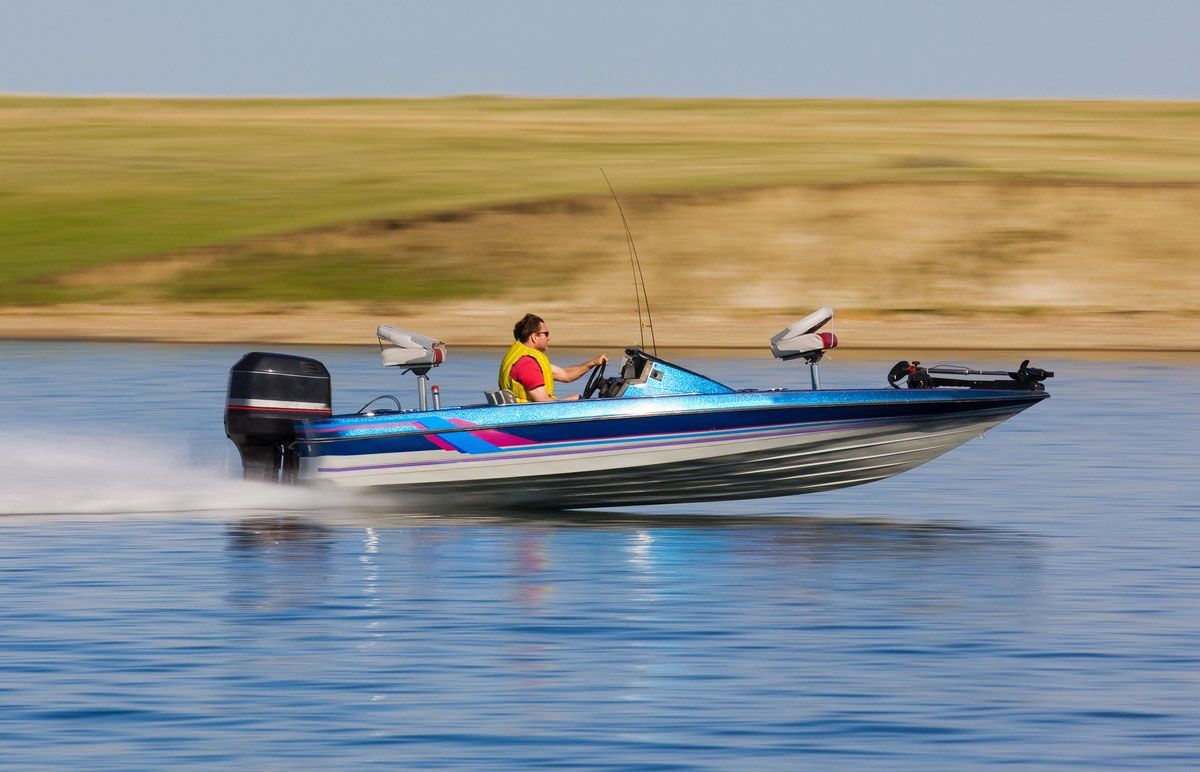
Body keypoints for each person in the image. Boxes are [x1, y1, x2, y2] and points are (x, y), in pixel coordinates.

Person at [498, 313, 609, 402]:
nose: (549, 338)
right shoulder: (527, 364)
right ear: (534, 337)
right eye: (546, 333)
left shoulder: (523, 357)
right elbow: (542, 401)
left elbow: (566, 374)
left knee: (576, 398)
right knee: (577, 400)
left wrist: (593, 362)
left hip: (527, 413)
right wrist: (571, 402)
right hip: (529, 417)